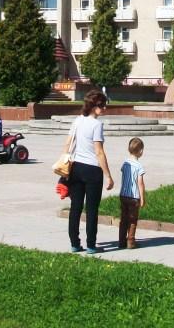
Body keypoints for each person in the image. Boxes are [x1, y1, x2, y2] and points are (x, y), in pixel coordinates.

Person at [64, 88, 113, 254]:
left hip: (76, 168)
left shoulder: (78, 120)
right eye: (102, 105)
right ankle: (91, 245)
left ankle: (74, 244)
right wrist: (108, 175)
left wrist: (66, 165)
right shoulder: (97, 124)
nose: (104, 108)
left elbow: (68, 144)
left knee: (75, 207)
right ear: (93, 106)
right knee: (92, 209)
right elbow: (99, 152)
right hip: (92, 170)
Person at [118, 137, 146, 249]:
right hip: (134, 197)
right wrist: (142, 198)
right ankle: (131, 241)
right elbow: (140, 183)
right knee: (133, 220)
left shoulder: (125, 164)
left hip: (123, 195)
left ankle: (121, 241)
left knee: (123, 219)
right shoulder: (139, 166)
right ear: (141, 151)